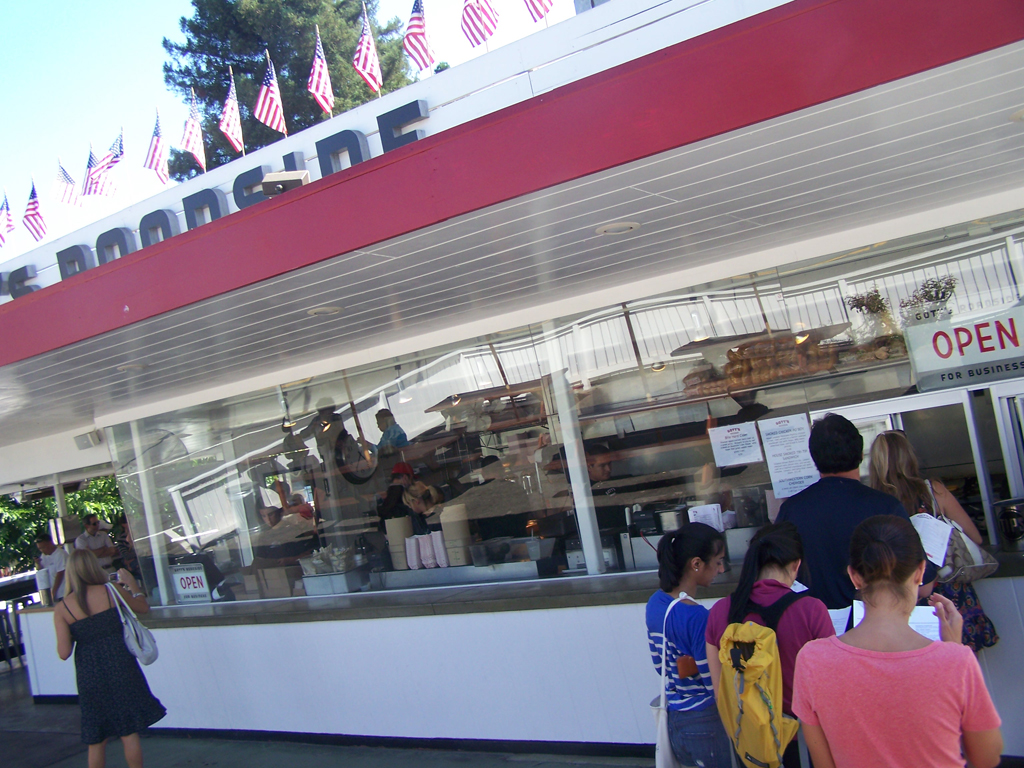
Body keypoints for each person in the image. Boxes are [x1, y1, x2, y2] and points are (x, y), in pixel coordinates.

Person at [792, 516, 1002, 768]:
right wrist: (954, 650)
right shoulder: (957, 661)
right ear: (920, 572)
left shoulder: (812, 660)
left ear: (854, 577)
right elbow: (986, 758)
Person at [705, 523, 834, 767]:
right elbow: (828, 692)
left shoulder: (720, 611)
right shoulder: (811, 610)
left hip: (747, 742)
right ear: (796, 565)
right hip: (800, 743)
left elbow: (721, 692)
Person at [868, 430, 997, 649]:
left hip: (903, 597)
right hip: (949, 593)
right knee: (960, 661)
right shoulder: (933, 491)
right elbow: (974, 536)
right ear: (909, 456)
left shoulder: (873, 503)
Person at [777, 413, 908, 610]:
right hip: (876, 620)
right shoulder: (887, 507)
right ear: (861, 454)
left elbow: (777, 580)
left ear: (814, 458)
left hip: (813, 622)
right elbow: (921, 583)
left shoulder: (791, 511)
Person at [53, 549, 166, 768]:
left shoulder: (62, 608)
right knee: (128, 731)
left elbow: (63, 652)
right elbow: (143, 608)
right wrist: (133, 586)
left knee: (96, 738)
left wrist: (79, 631)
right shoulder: (111, 591)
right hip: (120, 664)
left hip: (89, 673)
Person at [645, 523, 732, 768]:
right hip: (706, 721)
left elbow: (660, 666)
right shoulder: (698, 616)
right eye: (718, 562)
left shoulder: (655, 603)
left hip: (675, 719)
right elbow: (713, 682)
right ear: (696, 564)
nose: (721, 569)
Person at [35, 532, 67, 600]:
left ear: (50, 543)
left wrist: (53, 592)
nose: (42, 550)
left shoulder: (61, 554)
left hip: (63, 592)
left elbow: (60, 574)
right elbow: (41, 571)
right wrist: (38, 563)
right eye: (40, 549)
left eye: (43, 547)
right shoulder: (43, 556)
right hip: (53, 592)